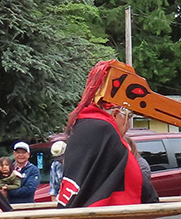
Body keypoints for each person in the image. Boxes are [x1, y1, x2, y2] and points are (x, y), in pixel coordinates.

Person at [54, 62, 161, 208]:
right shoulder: (105, 129)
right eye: (128, 117)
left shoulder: (81, 124)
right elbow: (138, 180)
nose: (128, 125)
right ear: (116, 113)